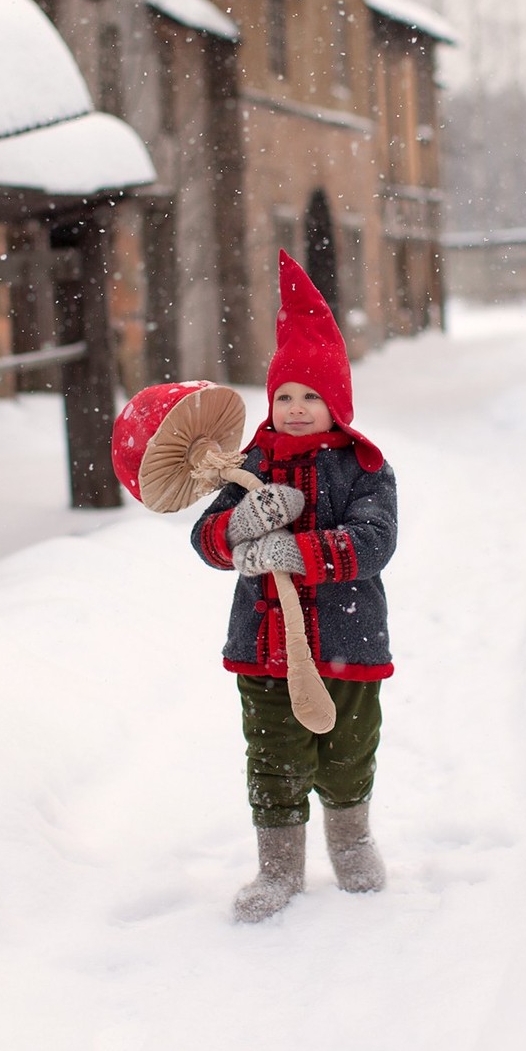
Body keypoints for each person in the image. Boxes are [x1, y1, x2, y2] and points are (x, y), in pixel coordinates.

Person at [191, 250, 398, 922]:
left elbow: (374, 542)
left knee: (346, 753)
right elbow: (206, 539)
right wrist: (240, 525)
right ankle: (278, 868)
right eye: (285, 396)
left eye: (313, 396)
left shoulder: (363, 467)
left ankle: (352, 837)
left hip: (347, 640)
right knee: (275, 757)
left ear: (336, 402)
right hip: (266, 645)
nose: (298, 408)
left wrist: (299, 550)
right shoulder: (247, 464)